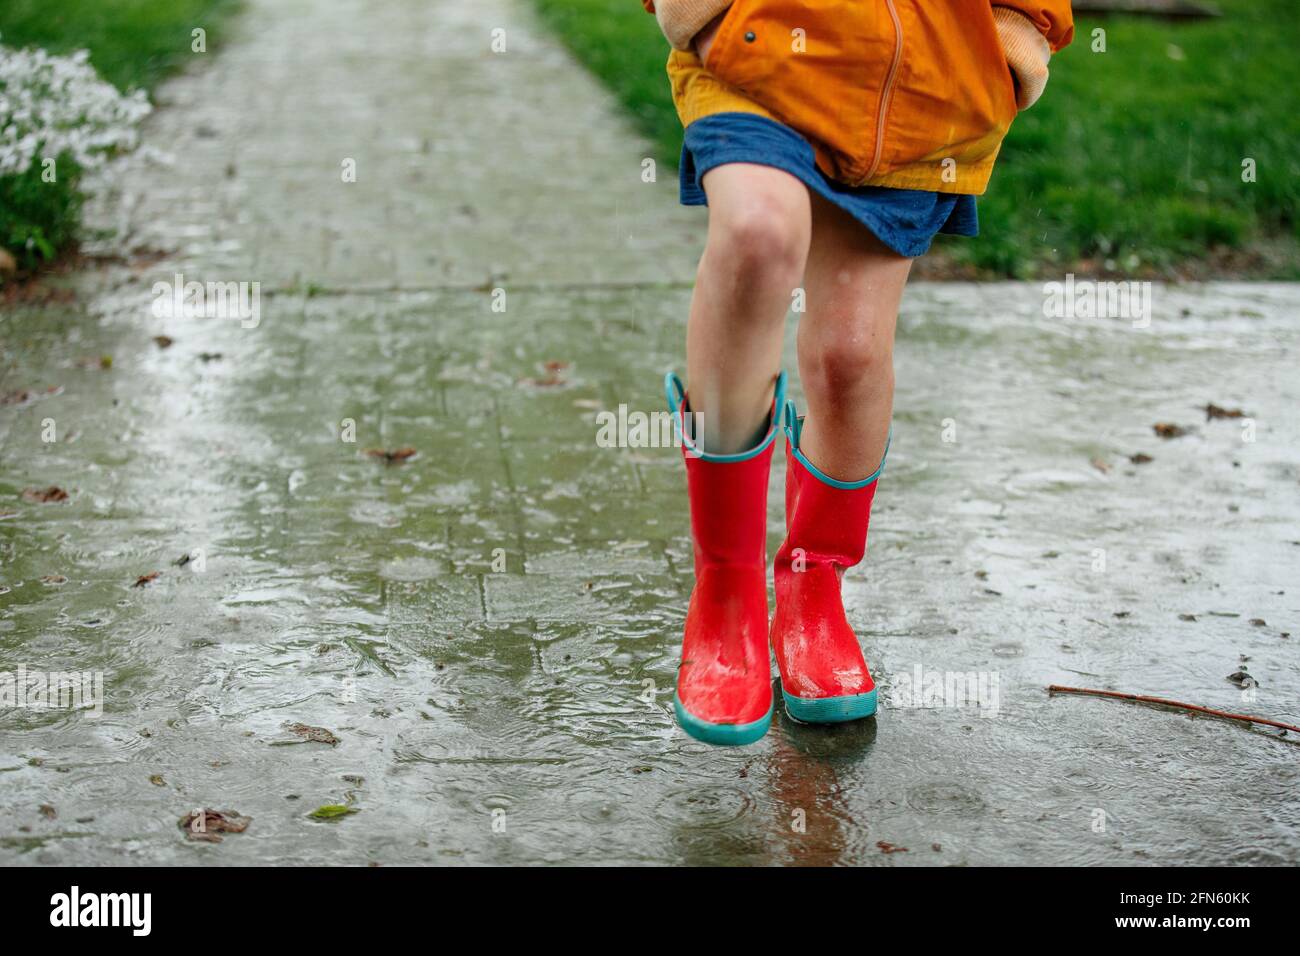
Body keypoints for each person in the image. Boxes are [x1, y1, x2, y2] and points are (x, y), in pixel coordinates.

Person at [647, 0, 1075, 744]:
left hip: (923, 85)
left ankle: (814, 589)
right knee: (757, 235)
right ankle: (727, 587)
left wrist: (1014, 39)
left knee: (851, 354)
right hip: (760, 47)